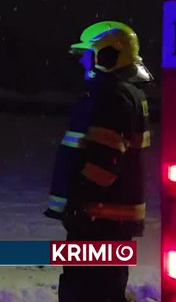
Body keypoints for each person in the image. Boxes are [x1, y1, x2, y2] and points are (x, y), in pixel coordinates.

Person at [44, 21, 152, 302]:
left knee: (84, 291)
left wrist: (80, 204)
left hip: (98, 221)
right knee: (106, 289)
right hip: (110, 222)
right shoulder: (130, 95)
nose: (82, 61)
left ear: (106, 56)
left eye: (87, 54)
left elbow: (106, 161)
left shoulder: (109, 96)